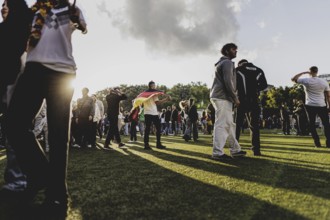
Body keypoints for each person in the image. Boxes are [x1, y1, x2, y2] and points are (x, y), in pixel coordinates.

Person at [5, 0, 87, 217]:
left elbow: (82, 25)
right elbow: (16, 36)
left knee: (59, 136)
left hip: (63, 74)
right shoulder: (32, 12)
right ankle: (39, 172)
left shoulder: (70, 9)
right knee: (13, 123)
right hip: (33, 71)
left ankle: (58, 196)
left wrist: (77, 19)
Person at [0, 0, 31, 201]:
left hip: (16, 84)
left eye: (7, 4)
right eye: (2, 5)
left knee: (13, 131)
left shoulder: (25, 31)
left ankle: (17, 179)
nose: (3, 7)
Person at [209, 43, 246, 160]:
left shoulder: (221, 63)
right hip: (222, 97)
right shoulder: (227, 63)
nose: (236, 51)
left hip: (219, 96)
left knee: (229, 125)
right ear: (226, 51)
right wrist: (235, 97)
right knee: (222, 124)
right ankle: (217, 153)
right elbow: (228, 82)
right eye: (234, 49)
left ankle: (235, 150)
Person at [291, 66, 330, 148]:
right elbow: (328, 96)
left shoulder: (306, 80)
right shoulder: (324, 81)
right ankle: (328, 143)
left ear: (310, 72)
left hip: (310, 105)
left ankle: (317, 143)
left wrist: (303, 73)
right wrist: (329, 106)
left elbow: (293, 79)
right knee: (326, 124)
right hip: (321, 105)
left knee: (311, 125)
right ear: (317, 71)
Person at [235, 59, 268, 156]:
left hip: (241, 100)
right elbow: (264, 85)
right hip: (254, 101)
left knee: (237, 125)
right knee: (254, 126)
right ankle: (256, 150)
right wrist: (256, 89)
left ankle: (235, 148)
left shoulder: (238, 70)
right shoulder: (258, 70)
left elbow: (233, 85)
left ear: (240, 63)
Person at [133, 81, 171, 150]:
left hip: (149, 113)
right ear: (150, 86)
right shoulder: (154, 94)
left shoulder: (144, 94)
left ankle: (148, 145)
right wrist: (166, 99)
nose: (154, 86)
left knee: (148, 129)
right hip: (151, 113)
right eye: (153, 85)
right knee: (155, 128)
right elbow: (157, 102)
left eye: (154, 85)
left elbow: (141, 101)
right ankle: (156, 144)